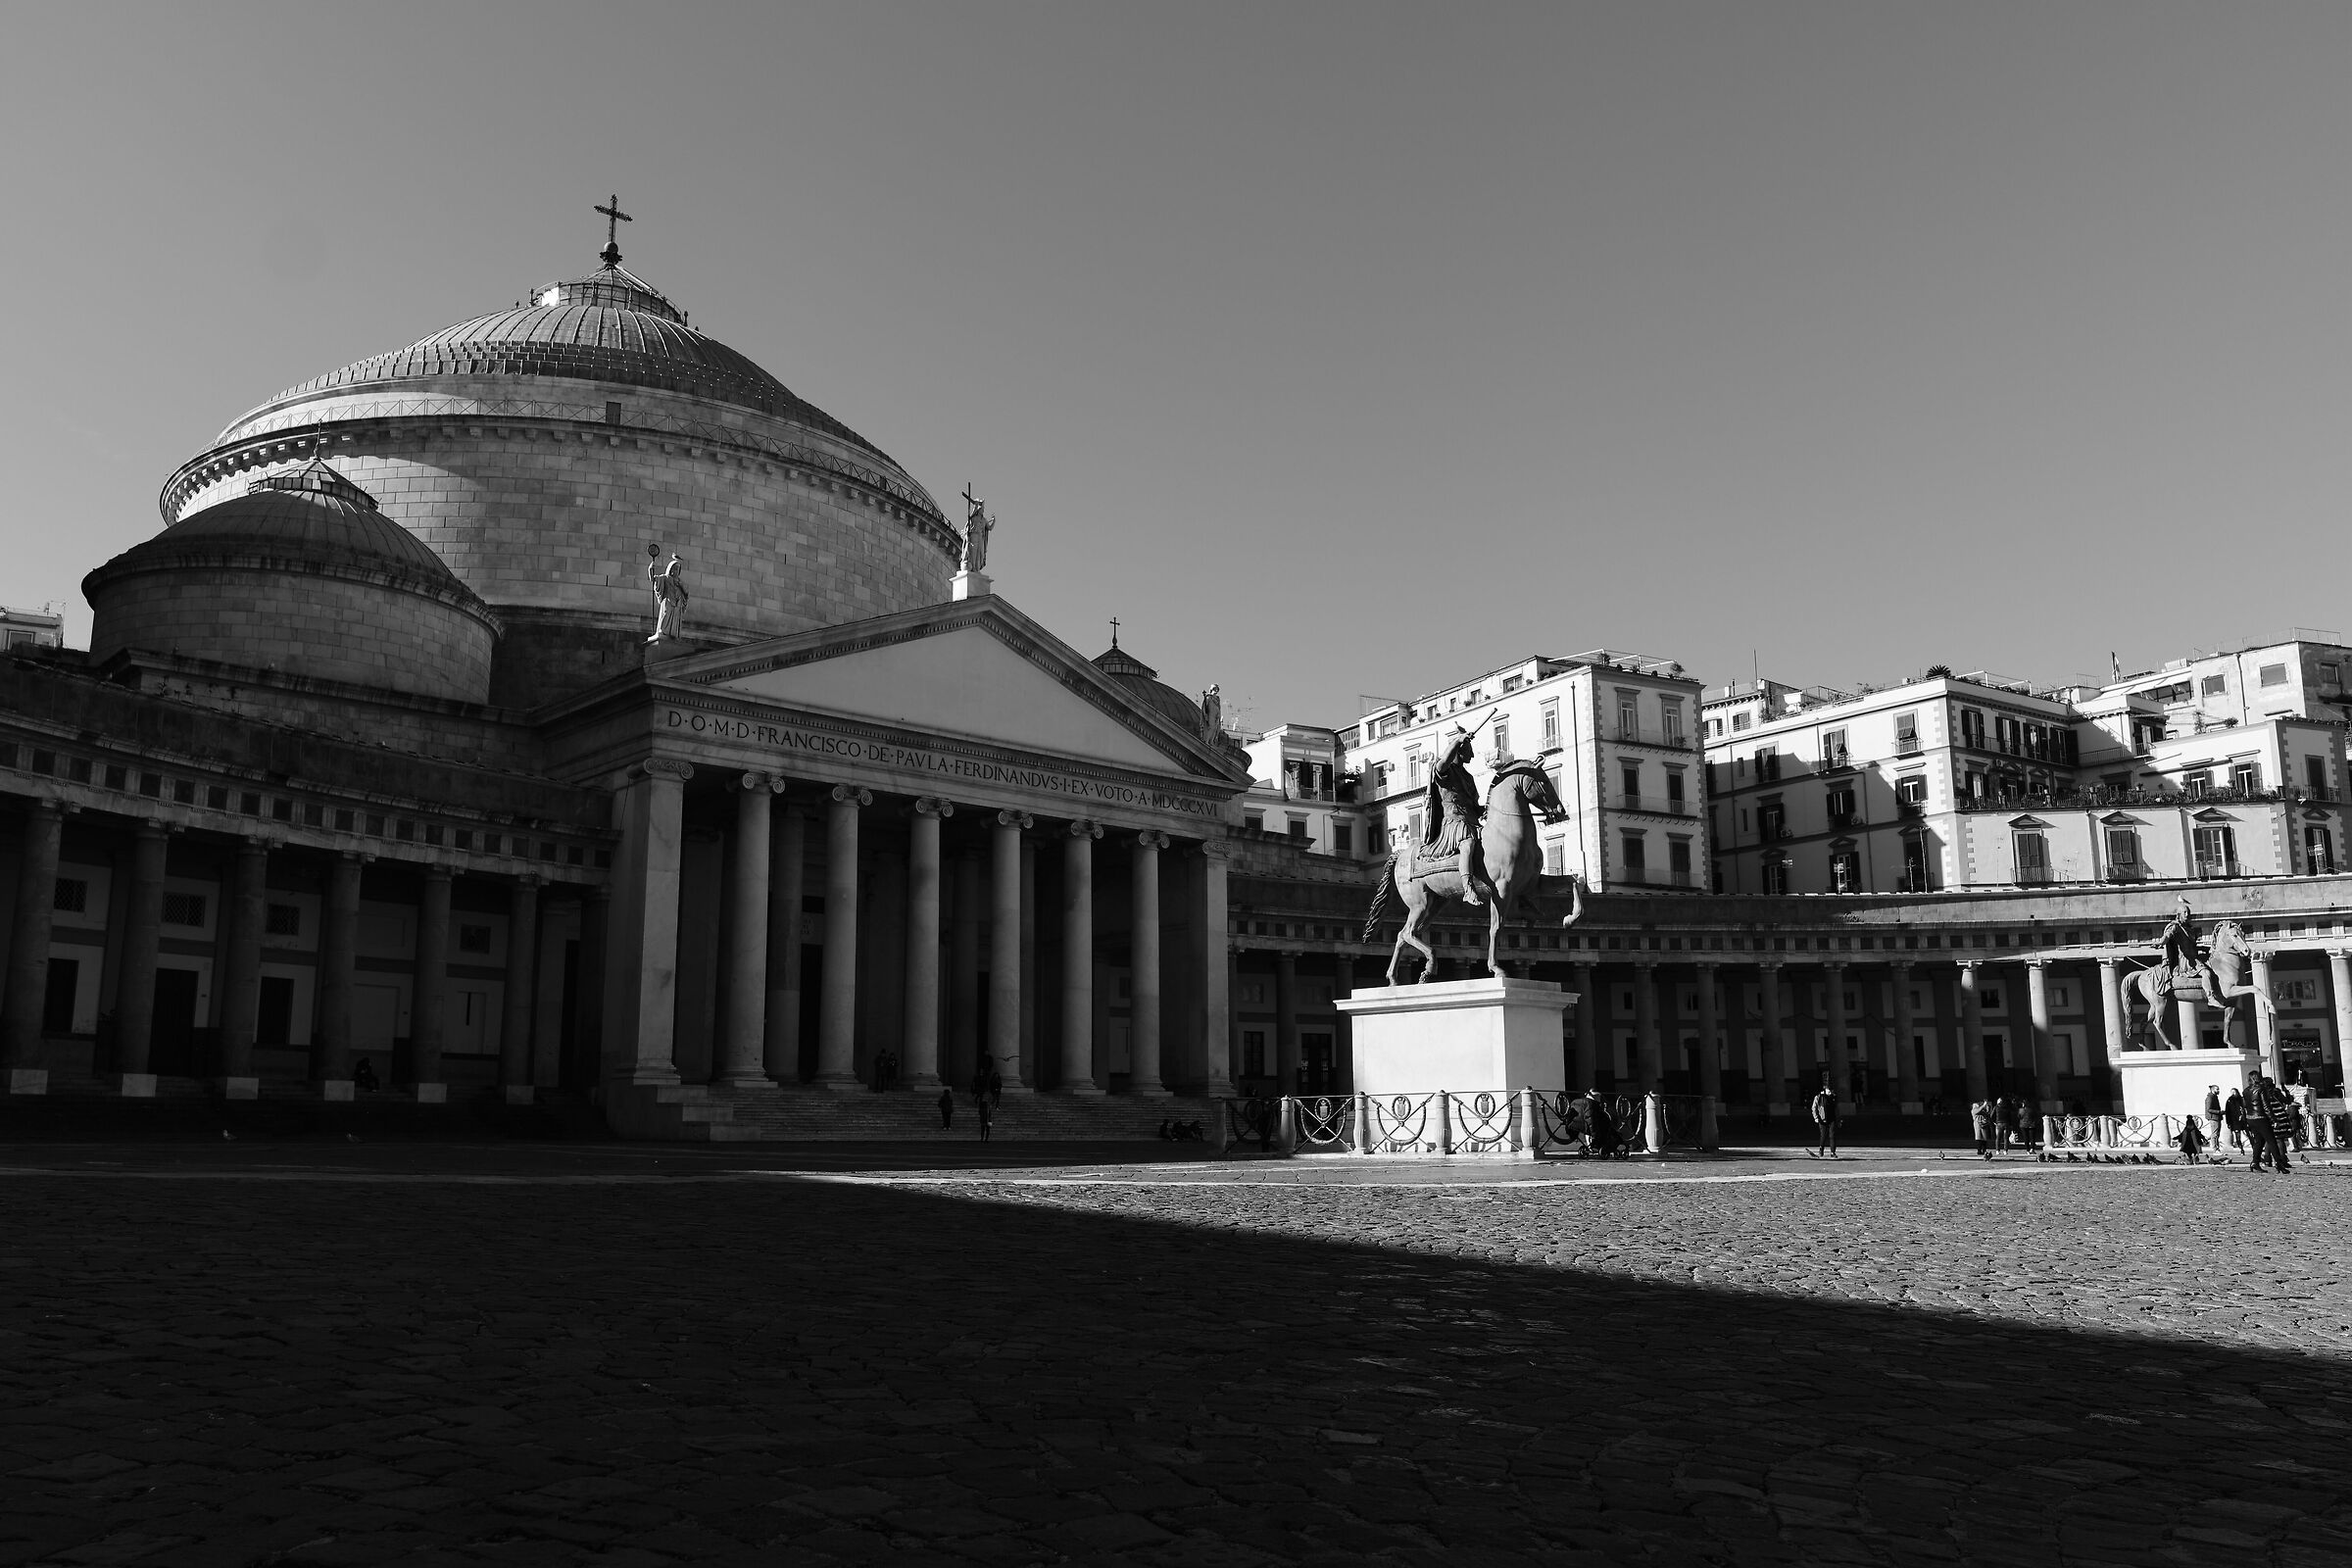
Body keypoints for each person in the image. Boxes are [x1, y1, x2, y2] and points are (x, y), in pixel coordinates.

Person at [1422, 725, 1499, 906]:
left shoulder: (1468, 777)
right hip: (1454, 823)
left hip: (1472, 821)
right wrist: (1458, 740)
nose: (1472, 756)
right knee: (1468, 843)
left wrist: (1487, 809)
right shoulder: (1443, 770)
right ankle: (1468, 888)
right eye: (1469, 752)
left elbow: (1473, 807)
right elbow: (1443, 762)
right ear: (1458, 750)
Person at [2247, 1074, 2296, 1174]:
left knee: (2259, 1142)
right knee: (2272, 1141)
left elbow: (2246, 1105)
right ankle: (2279, 1164)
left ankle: (2255, 1162)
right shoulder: (2261, 1090)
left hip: (2251, 1118)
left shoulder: (2246, 1090)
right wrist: (2274, 1120)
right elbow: (2266, 1107)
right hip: (2262, 1117)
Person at [1809, 1074, 1838, 1158]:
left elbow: (1836, 1109)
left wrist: (1838, 1119)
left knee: (1832, 1135)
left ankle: (1833, 1152)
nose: (1831, 1092)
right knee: (1823, 1135)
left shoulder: (1833, 1097)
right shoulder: (1819, 1097)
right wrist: (1816, 1117)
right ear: (1825, 1090)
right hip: (1822, 1119)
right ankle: (1821, 1149)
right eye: (1829, 1091)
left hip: (1832, 1118)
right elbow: (1814, 1108)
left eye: (1831, 1091)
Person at [2223, 1086, 2246, 1152]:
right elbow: (2227, 1112)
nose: (2233, 1093)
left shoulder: (2242, 1099)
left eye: (2234, 1092)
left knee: (2249, 1134)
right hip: (2235, 1121)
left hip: (2244, 1120)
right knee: (2238, 1136)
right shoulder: (2229, 1100)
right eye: (2232, 1092)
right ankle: (2241, 1148)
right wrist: (2228, 1122)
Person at [2203, 1085, 2225, 1152]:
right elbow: (2209, 1109)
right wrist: (2219, 1112)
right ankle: (2215, 1149)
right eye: (2217, 1089)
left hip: (2217, 1117)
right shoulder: (2210, 1097)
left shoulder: (2214, 1097)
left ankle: (2217, 1149)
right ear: (2213, 1090)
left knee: (2217, 1134)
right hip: (2213, 1118)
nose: (2219, 1091)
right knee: (2214, 1134)